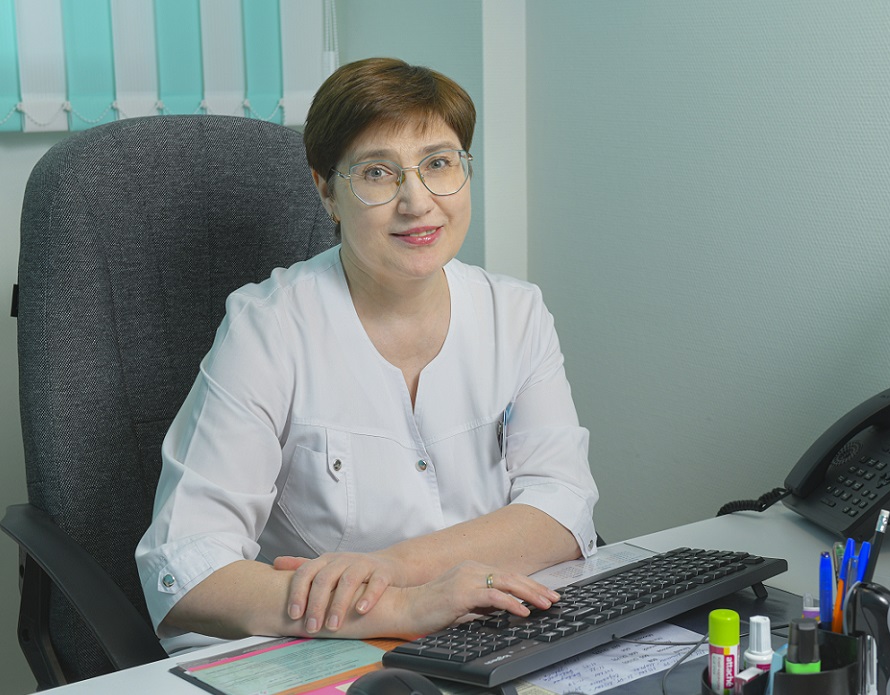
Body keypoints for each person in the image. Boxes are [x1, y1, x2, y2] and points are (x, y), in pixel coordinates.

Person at [136, 57, 599, 653]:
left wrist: (394, 567)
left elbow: (562, 506)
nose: (418, 202)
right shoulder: (268, 327)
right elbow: (186, 569)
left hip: (495, 633)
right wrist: (399, 606)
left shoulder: (515, 313)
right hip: (330, 651)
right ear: (326, 190)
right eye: (378, 173)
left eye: (439, 163)